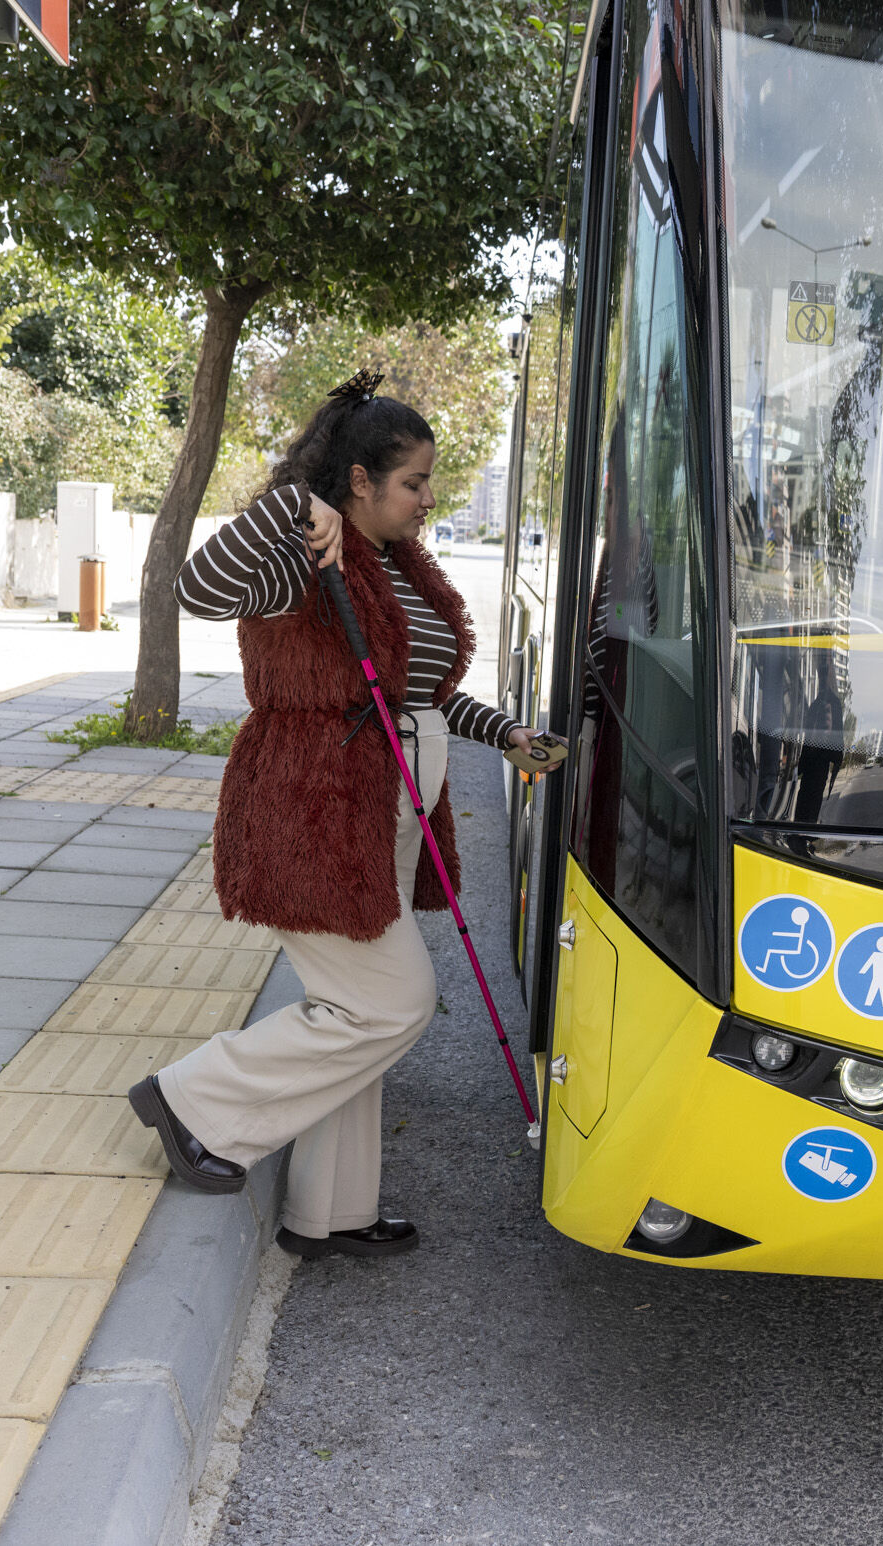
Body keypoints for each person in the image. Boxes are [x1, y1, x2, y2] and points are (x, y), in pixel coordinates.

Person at [127, 370, 559, 1261]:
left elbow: (416, 695)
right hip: (315, 811)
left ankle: (329, 1214)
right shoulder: (303, 550)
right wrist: (290, 507)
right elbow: (195, 590)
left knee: (349, 1009)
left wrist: (503, 731)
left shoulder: (397, 564)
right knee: (391, 1004)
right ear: (358, 481)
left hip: (385, 817)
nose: (429, 501)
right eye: (415, 482)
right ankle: (190, 1101)